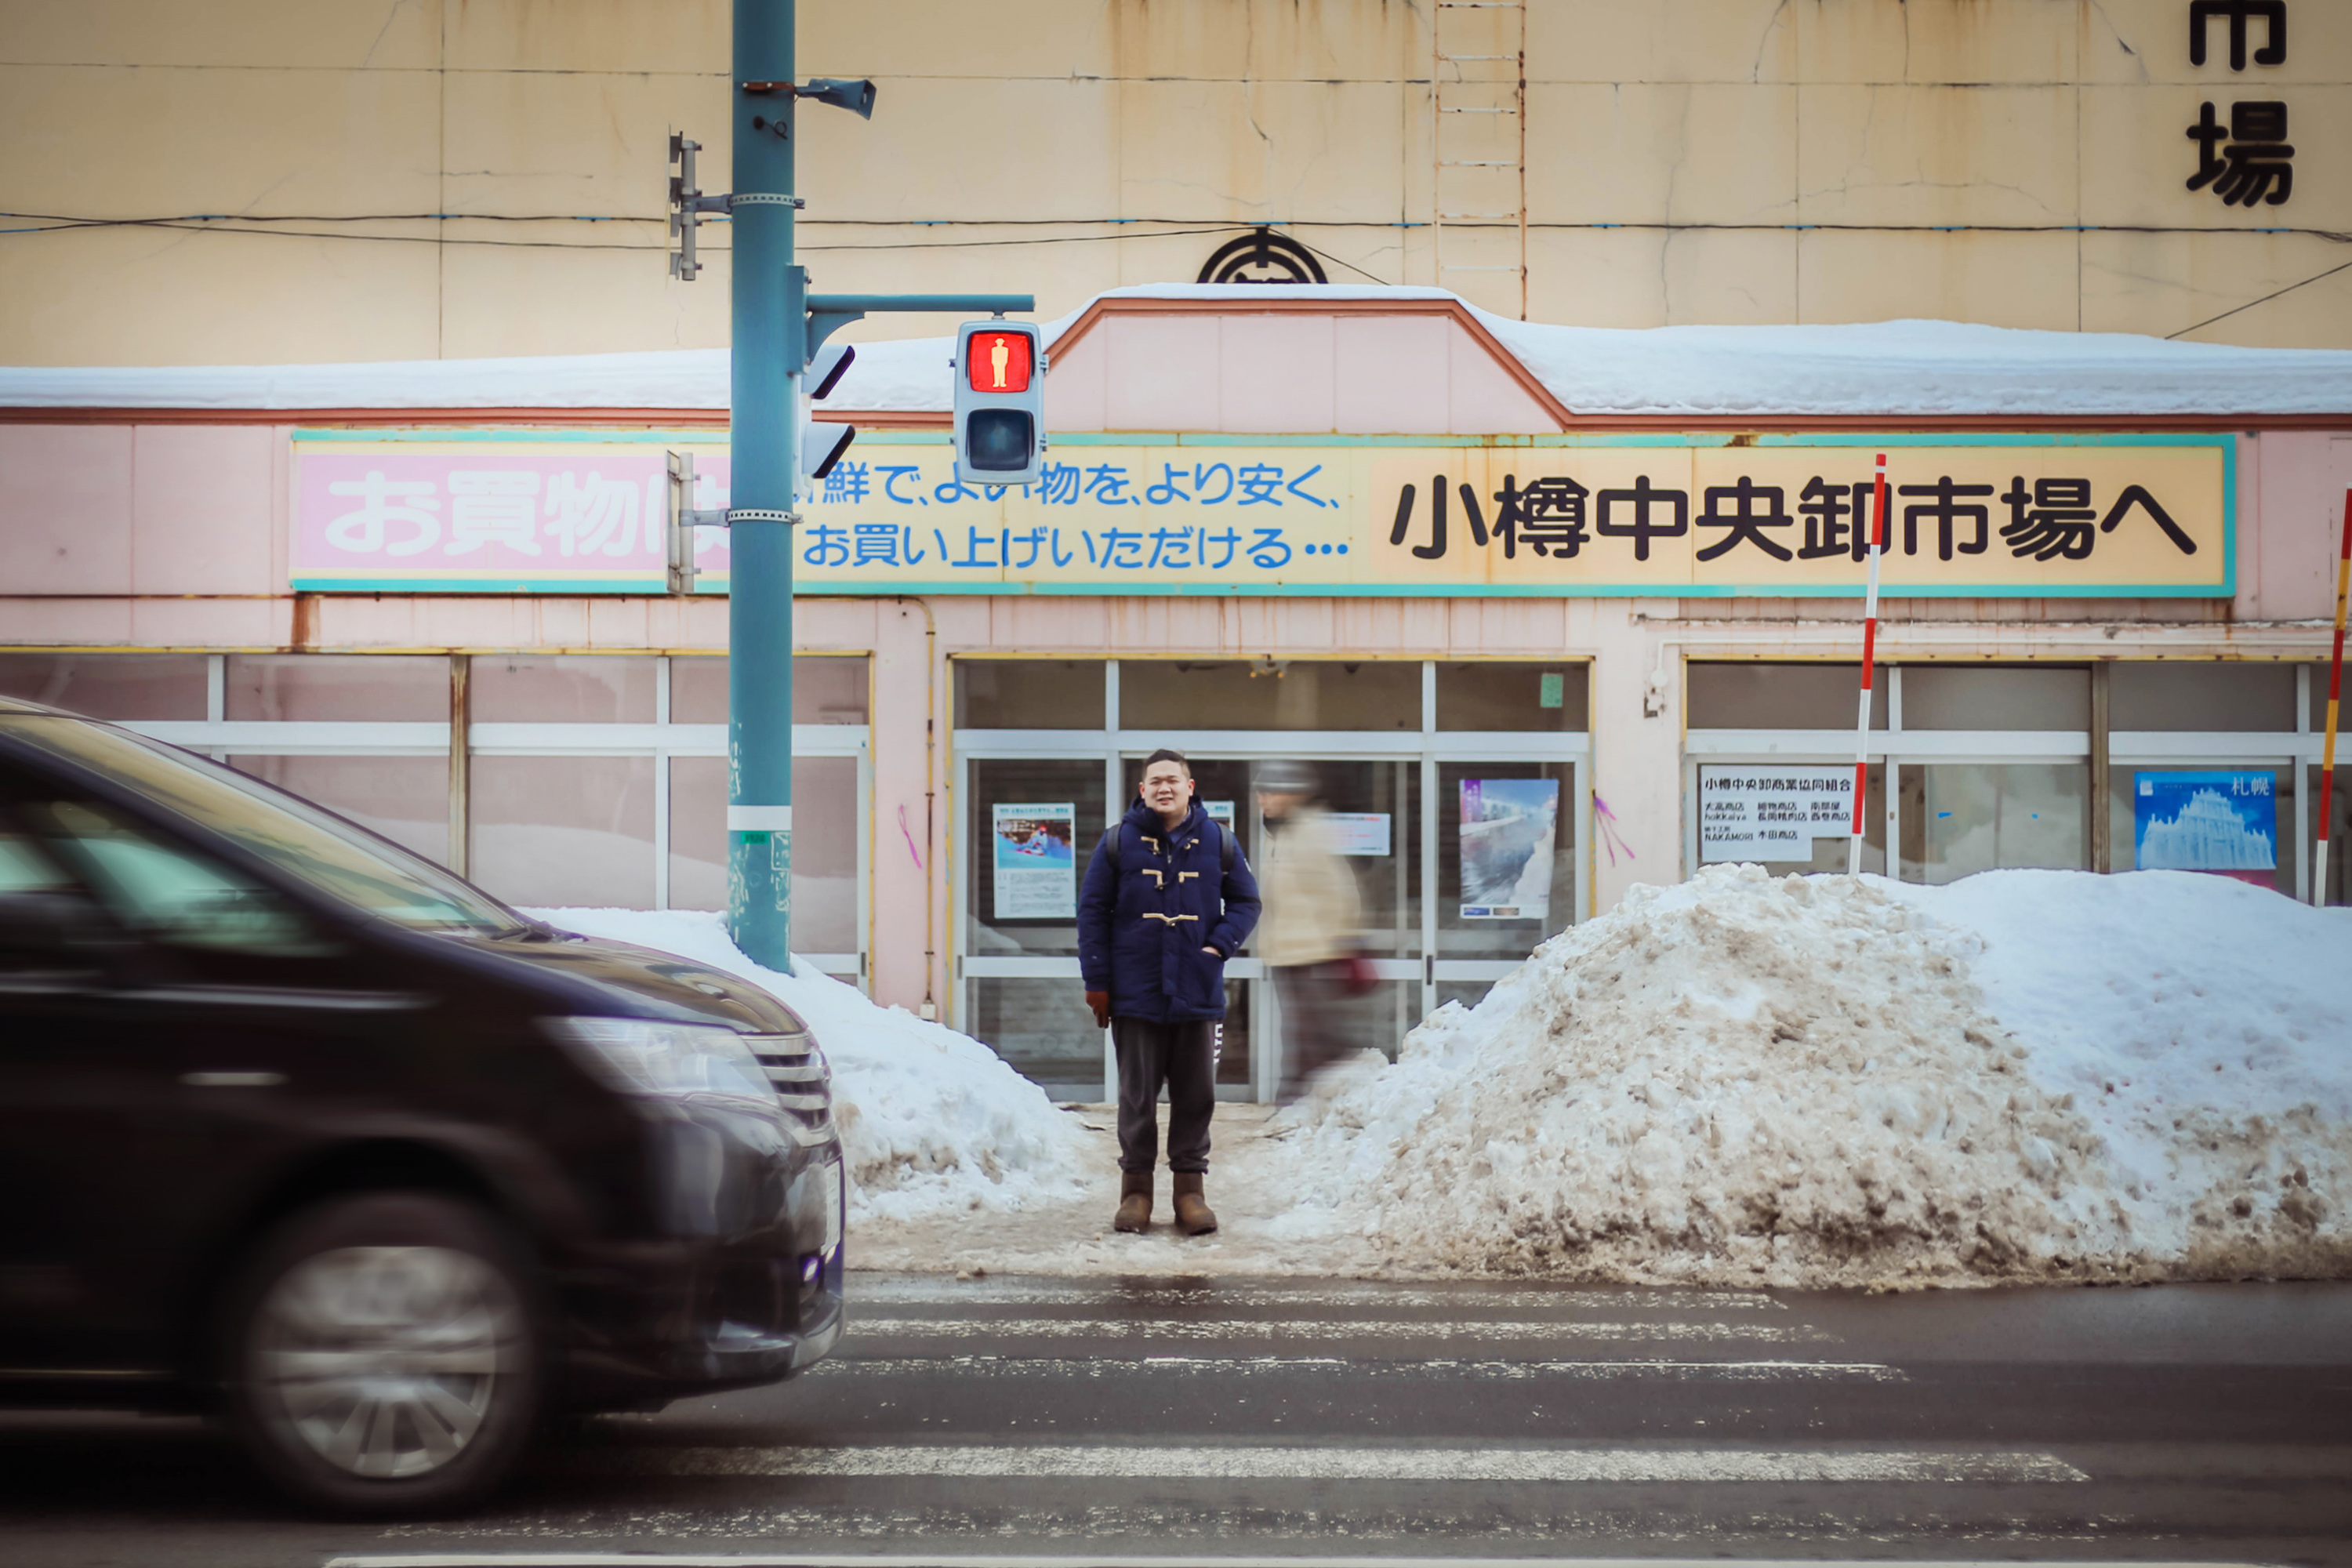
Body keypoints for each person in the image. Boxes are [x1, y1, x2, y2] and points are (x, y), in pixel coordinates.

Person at [1077, 748, 1261, 1236]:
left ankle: (1190, 1193)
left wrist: (1217, 948)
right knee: (1136, 1096)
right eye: (1155, 781)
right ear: (1142, 790)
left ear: (1190, 787)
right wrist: (1097, 981)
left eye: (1173, 781)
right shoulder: (1118, 842)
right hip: (1135, 993)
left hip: (1197, 991)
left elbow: (1247, 901)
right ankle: (1136, 1192)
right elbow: (1092, 912)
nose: (1164, 788)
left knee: (1196, 1094)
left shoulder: (1219, 840)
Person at [1254, 760, 1365, 1101]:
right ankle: (1304, 1095)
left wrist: (1342, 939)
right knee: (1302, 1030)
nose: (1261, 799)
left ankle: (1301, 1096)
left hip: (1311, 951)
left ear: (1291, 794)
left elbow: (1342, 890)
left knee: (1309, 1032)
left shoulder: (1312, 832)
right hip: (1287, 951)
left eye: (1268, 791)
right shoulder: (1281, 834)